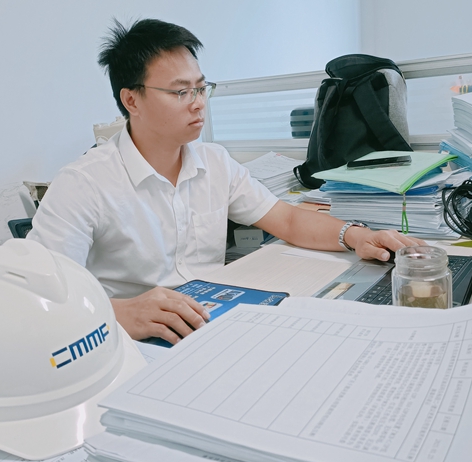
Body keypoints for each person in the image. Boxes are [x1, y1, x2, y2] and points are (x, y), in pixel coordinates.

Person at [28, 18, 423, 345]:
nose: (198, 102)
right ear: (132, 100)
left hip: (216, 326)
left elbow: (286, 219)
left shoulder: (214, 162)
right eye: (180, 92)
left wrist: (355, 235)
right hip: (134, 343)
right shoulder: (83, 183)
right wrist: (122, 313)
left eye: (201, 88)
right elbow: (37, 295)